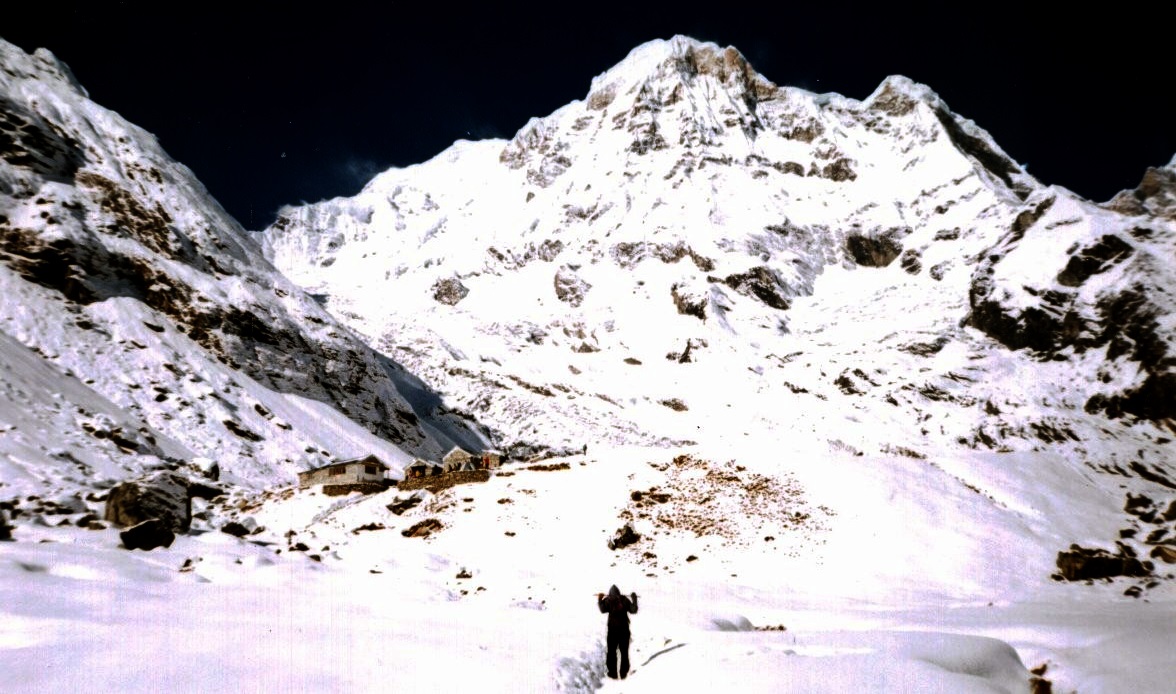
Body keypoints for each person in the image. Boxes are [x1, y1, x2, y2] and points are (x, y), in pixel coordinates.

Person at [597, 584, 638, 679]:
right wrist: (634, 599)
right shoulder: (624, 600)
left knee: (611, 652)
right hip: (624, 630)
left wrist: (600, 599)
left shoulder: (608, 600)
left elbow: (602, 610)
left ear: (610, 594)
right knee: (624, 652)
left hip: (612, 631)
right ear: (619, 593)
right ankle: (623, 673)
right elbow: (634, 610)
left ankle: (612, 673)